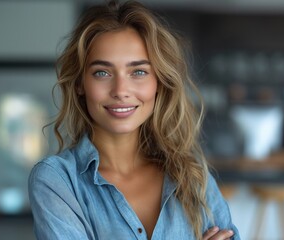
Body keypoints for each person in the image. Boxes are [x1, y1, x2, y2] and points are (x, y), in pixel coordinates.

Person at [28, 0, 240, 239]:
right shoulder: (57, 181)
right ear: (80, 83)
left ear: (158, 81)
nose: (120, 90)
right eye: (102, 72)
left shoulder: (191, 174)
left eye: (138, 72)